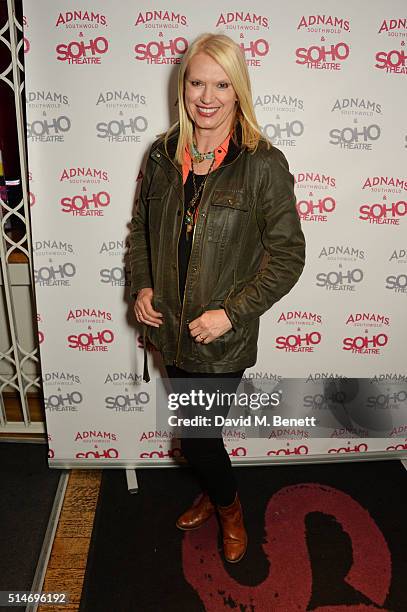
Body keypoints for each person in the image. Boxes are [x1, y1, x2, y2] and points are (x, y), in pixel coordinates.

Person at [129, 32, 306, 563]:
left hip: (219, 339)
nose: (207, 97)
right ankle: (213, 490)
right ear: (182, 86)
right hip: (170, 331)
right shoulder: (163, 154)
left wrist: (230, 314)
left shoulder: (262, 164)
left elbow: (288, 256)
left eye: (221, 84)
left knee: (199, 438)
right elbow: (141, 230)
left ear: (239, 90)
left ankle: (229, 508)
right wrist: (141, 285)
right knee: (194, 432)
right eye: (197, 82)